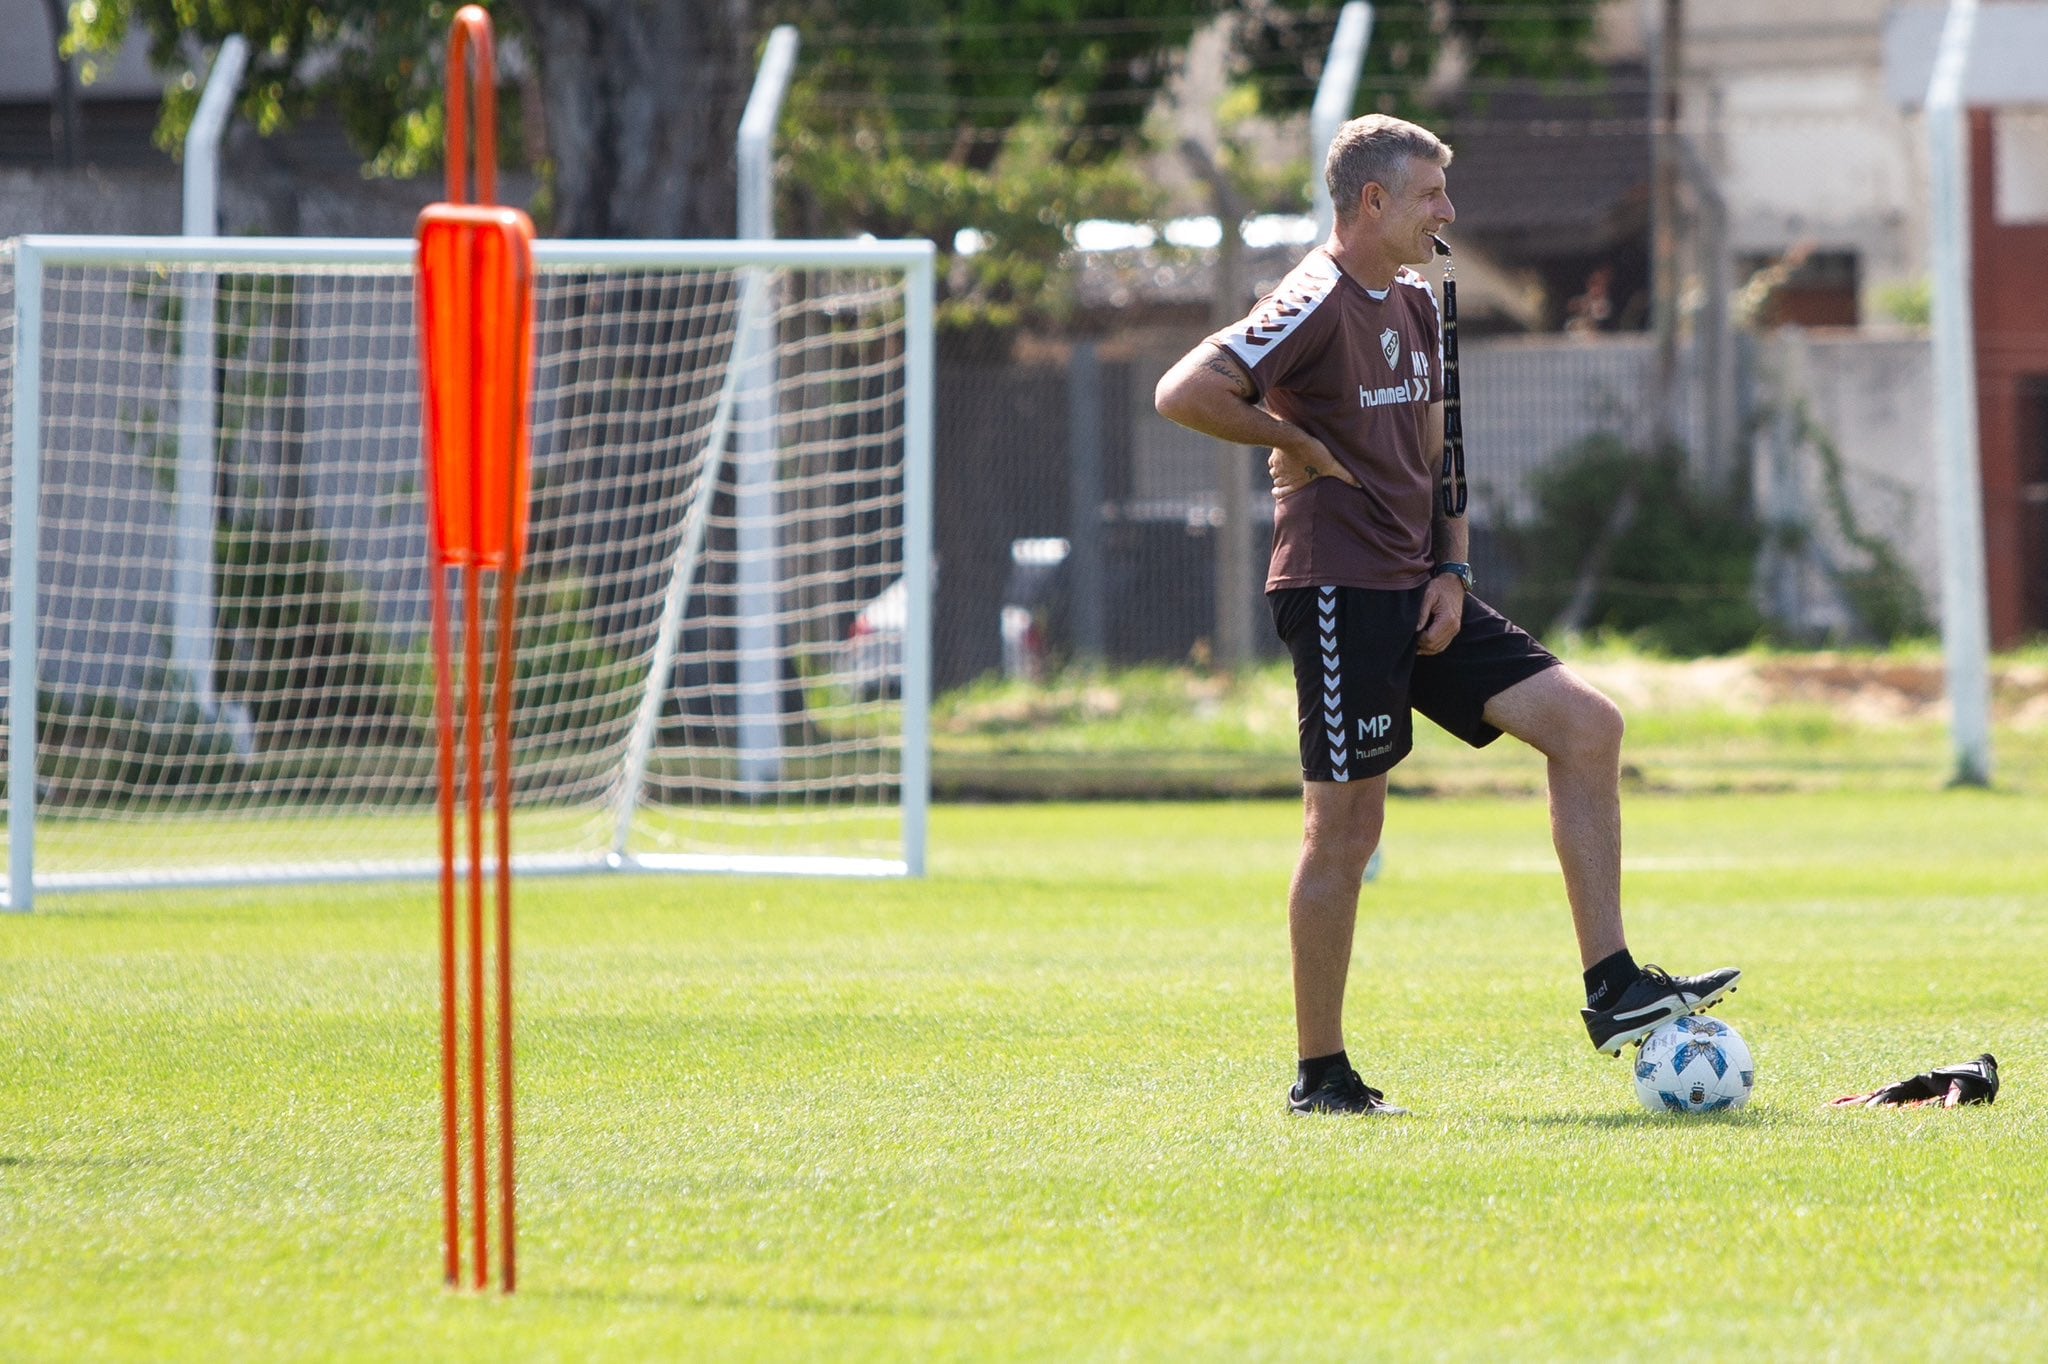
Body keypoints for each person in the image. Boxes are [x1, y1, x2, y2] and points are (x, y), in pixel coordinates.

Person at [1152, 114, 1740, 1116]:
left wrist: (1451, 567)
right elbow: (1183, 388)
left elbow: (1442, 451)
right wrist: (1290, 434)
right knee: (1344, 826)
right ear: (1371, 202)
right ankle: (1320, 1074)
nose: (1448, 212)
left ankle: (1611, 985)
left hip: (1417, 585)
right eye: (1430, 193)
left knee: (1586, 724)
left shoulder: (1421, 305)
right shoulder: (1310, 295)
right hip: (1335, 588)